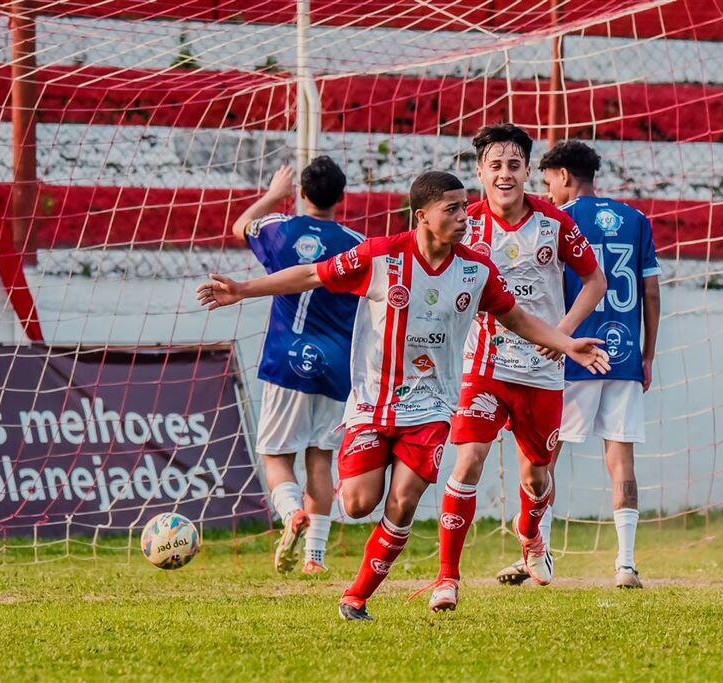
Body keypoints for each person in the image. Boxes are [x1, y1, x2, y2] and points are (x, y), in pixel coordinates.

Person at [198, 171, 611, 621]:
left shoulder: (475, 270)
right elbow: (310, 275)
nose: (463, 217)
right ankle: (371, 498)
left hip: (432, 406)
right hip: (374, 403)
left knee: (405, 498)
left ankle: (356, 597)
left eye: (463, 206)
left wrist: (566, 342)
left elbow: (516, 318)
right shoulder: (382, 255)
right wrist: (242, 289)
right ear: (423, 217)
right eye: (451, 209)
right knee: (356, 503)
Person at [426, 124, 606, 613]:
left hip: (543, 369)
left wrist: (564, 336)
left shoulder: (554, 223)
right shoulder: (466, 224)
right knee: (467, 462)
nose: (504, 175)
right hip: (484, 365)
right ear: (480, 172)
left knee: (537, 476)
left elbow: (594, 280)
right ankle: (447, 579)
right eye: (495, 166)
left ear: (528, 171)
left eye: (514, 165)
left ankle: (530, 533)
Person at [495, 139, 661, 589]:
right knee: (620, 457)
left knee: (544, 453)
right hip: (624, 354)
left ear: (565, 176)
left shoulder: (557, 220)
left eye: (548, 183)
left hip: (571, 352)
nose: (546, 193)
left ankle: (535, 554)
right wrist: (647, 354)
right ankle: (626, 564)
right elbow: (650, 292)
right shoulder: (637, 219)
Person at [231, 157, 363, 575]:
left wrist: (273, 194)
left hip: (286, 360)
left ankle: (290, 513)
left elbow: (239, 227)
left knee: (275, 455)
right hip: (336, 365)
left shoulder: (279, 229)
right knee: (320, 458)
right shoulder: (357, 243)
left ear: (302, 195)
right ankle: (315, 558)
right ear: (342, 198)